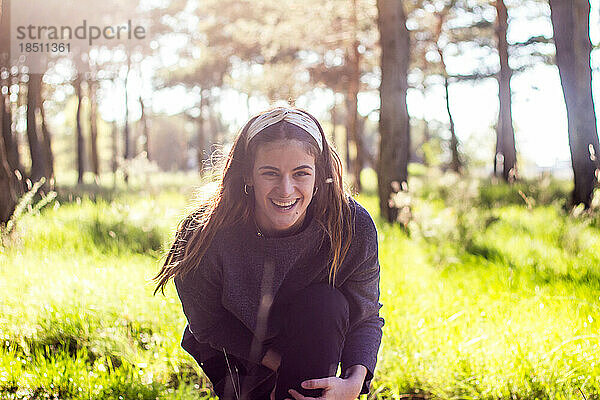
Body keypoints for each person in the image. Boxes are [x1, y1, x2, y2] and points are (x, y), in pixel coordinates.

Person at [153, 107, 384, 400]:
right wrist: (277, 362)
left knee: (327, 303)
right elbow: (208, 323)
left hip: (312, 335)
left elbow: (365, 314)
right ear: (248, 175)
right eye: (270, 173)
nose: (286, 190)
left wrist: (353, 383)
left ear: (319, 174)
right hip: (233, 347)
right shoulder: (204, 230)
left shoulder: (351, 225)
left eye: (301, 173)